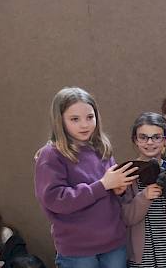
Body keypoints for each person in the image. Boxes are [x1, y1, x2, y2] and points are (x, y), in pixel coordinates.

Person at [34, 87, 138, 267]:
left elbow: (110, 189)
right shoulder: (51, 155)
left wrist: (118, 190)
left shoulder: (101, 147)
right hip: (78, 249)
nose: (85, 124)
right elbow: (56, 200)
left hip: (114, 242)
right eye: (75, 119)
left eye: (90, 117)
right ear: (60, 121)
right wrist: (103, 185)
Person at [123, 112, 166, 268]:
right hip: (142, 251)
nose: (150, 142)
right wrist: (144, 197)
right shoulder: (127, 174)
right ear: (135, 140)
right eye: (143, 137)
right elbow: (127, 217)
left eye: (156, 137)